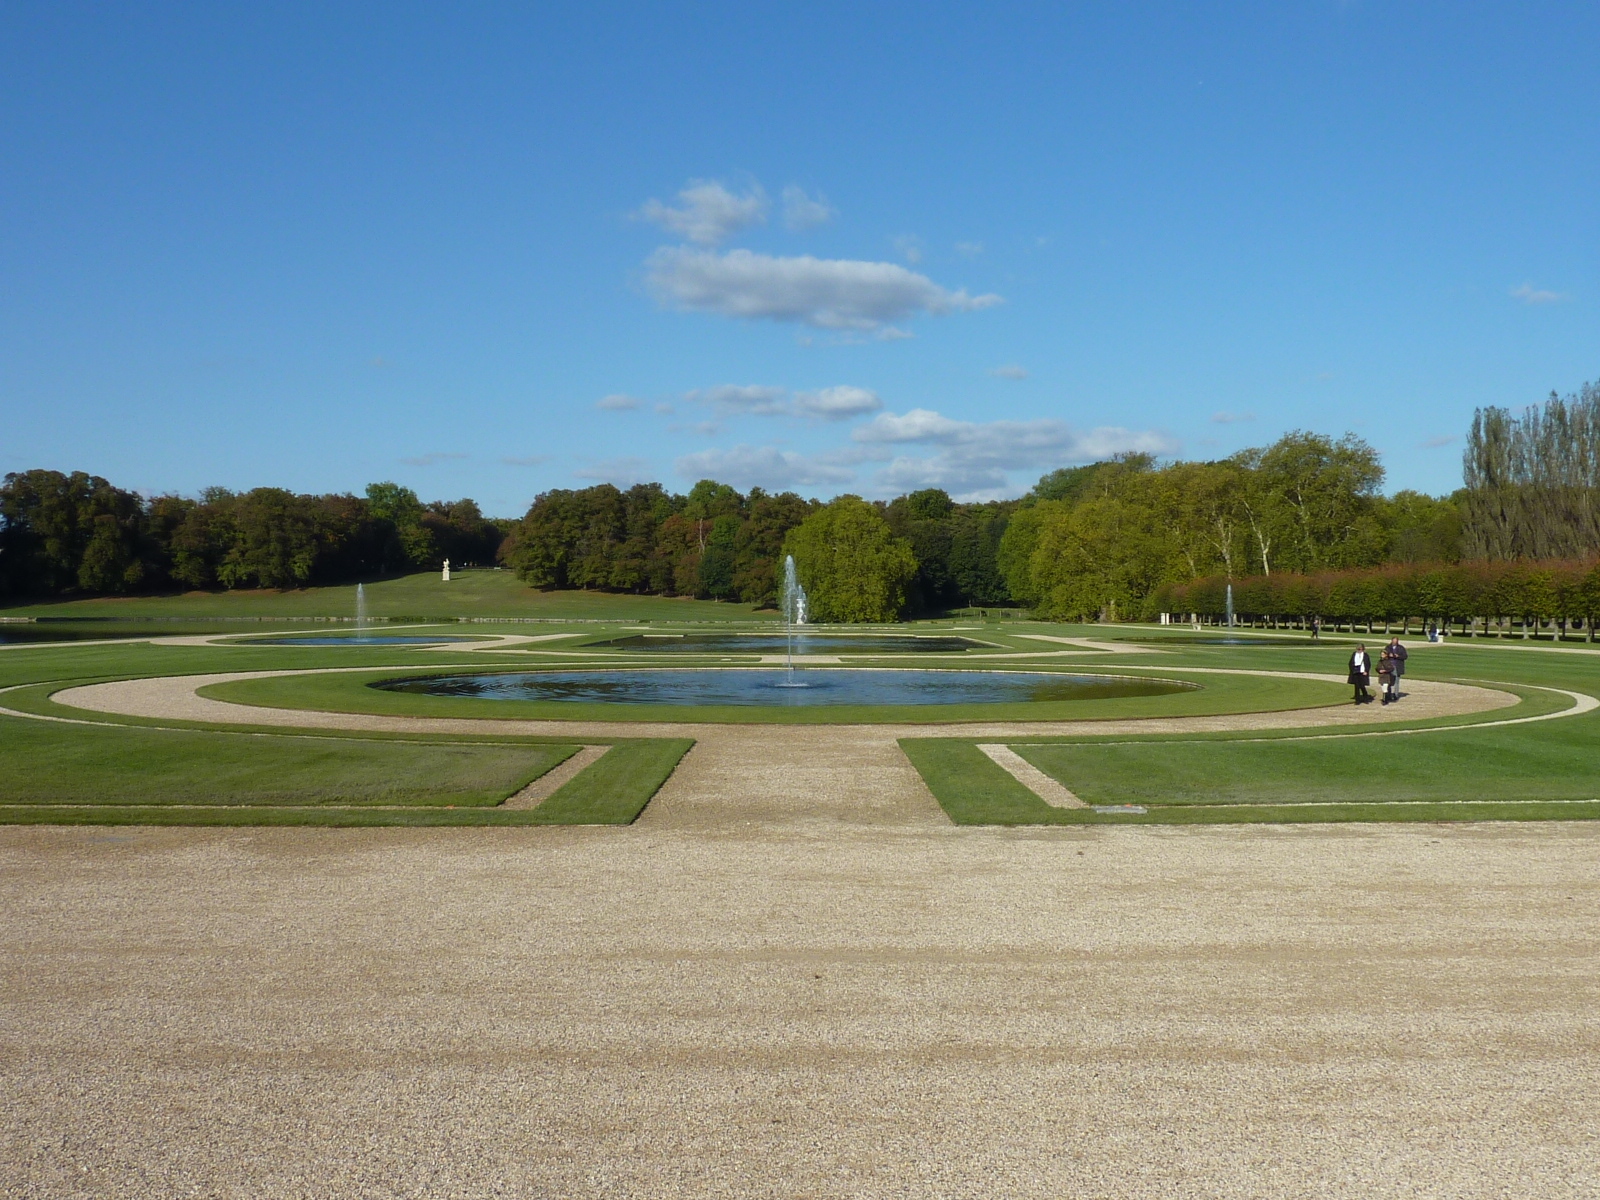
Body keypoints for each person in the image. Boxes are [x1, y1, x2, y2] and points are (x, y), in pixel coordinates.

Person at [1384, 635, 1407, 701]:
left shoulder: (1401, 648)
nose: (1395, 642)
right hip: (1389, 666)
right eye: (1394, 641)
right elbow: (1383, 655)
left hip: (1397, 666)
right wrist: (1388, 655)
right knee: (1388, 681)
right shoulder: (1388, 647)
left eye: (1396, 641)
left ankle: (1395, 695)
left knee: (1396, 681)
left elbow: (1405, 656)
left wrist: (1398, 656)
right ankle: (1388, 694)